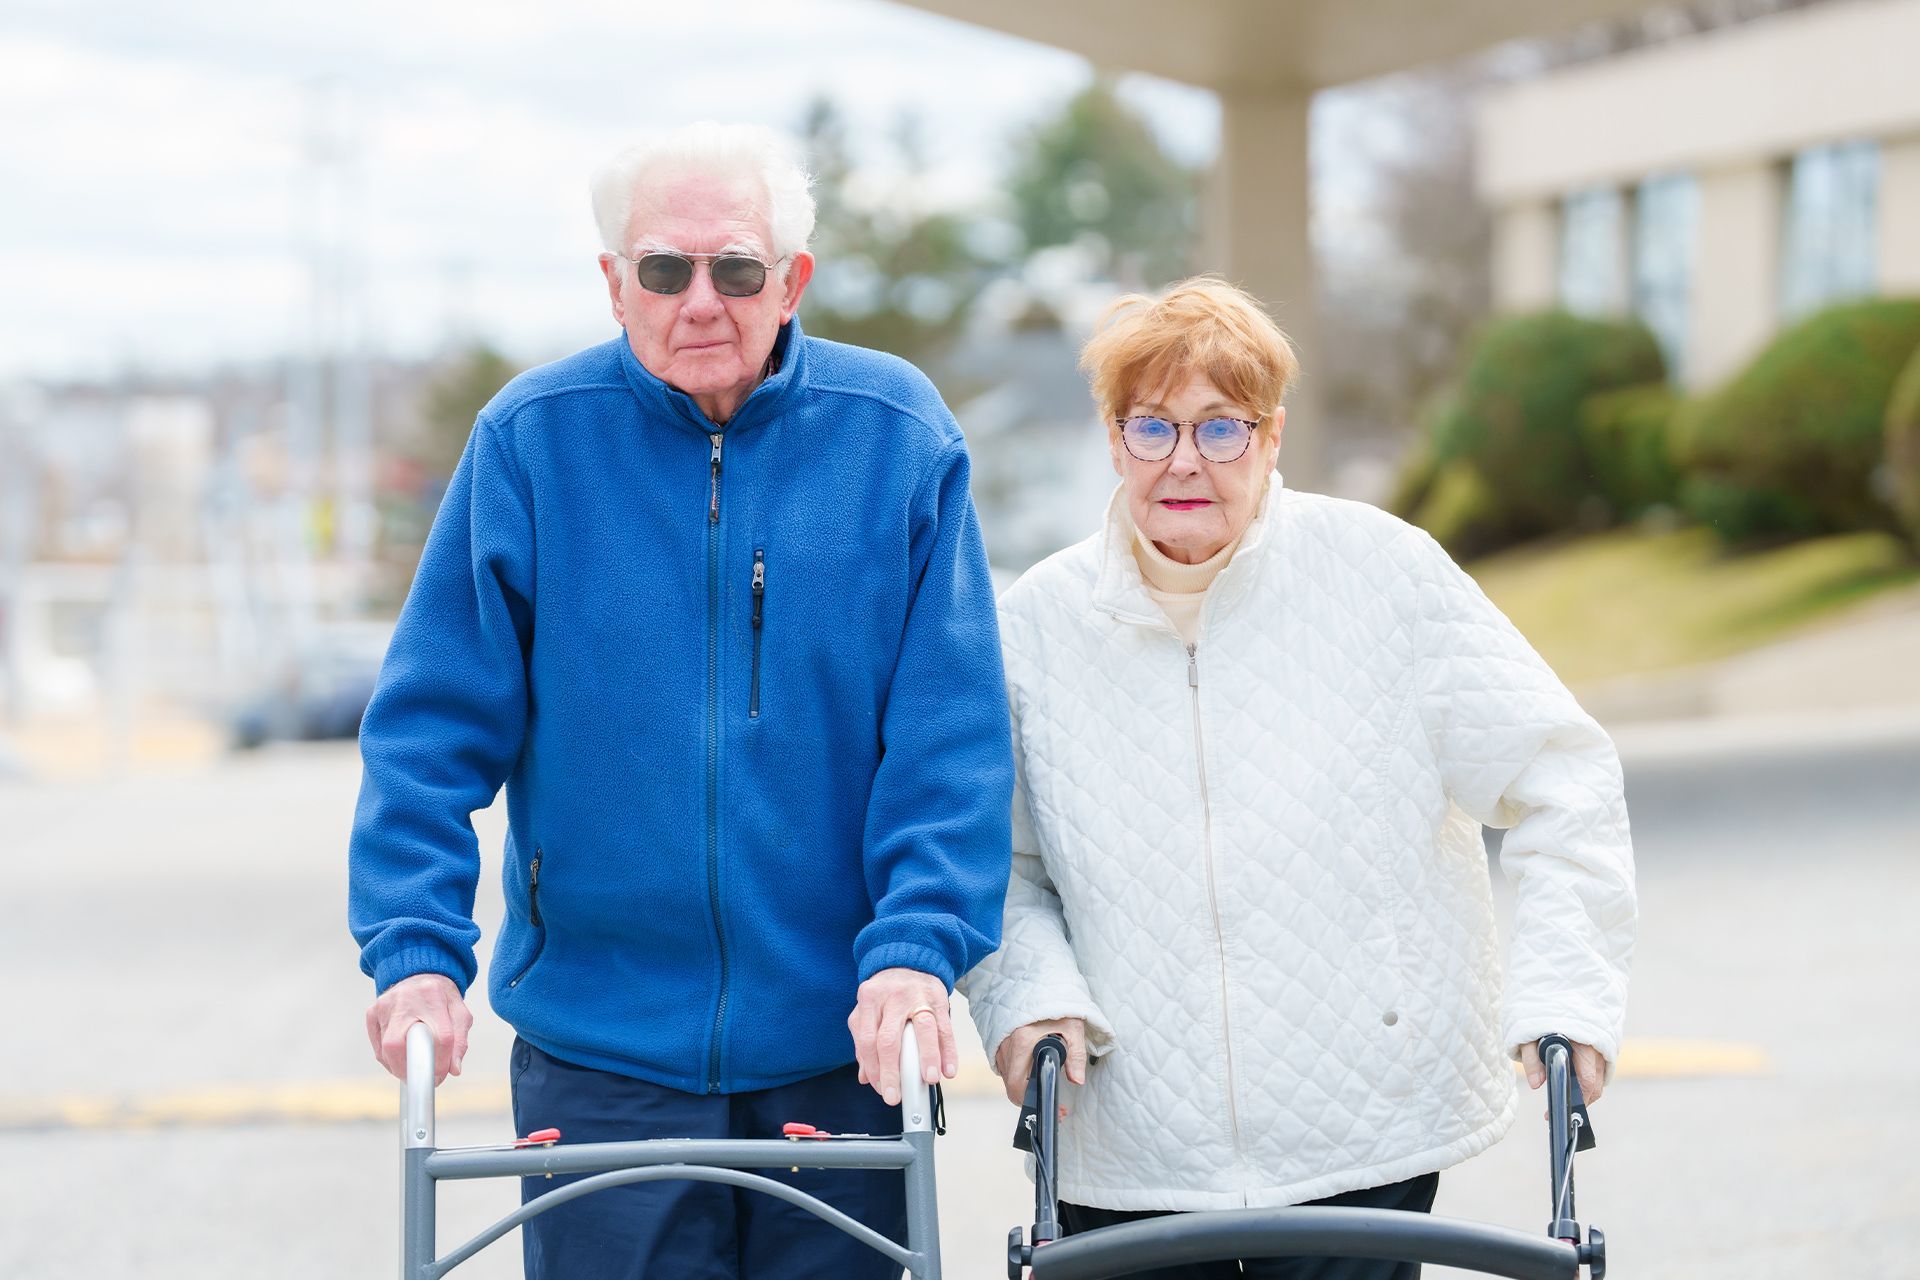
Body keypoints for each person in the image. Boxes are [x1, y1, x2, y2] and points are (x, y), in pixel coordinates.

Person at [348, 122, 1013, 1280]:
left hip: (839, 1045)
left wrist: (916, 947)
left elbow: (949, 737)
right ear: (615, 284)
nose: (701, 300)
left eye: (737, 268)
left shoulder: (897, 437)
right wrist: (415, 948)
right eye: (664, 268)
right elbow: (427, 733)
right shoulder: (530, 443)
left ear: (791, 280)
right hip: (600, 1049)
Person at [959, 278, 1636, 1279]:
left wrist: (1566, 993)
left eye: (1220, 428)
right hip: (1127, 1143)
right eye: (1152, 426)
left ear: (1271, 437)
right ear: (1114, 439)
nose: (1184, 459)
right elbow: (997, 865)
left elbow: (1563, 777)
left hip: (1358, 1127)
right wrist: (1030, 1001)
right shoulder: (1035, 625)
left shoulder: (1386, 574)